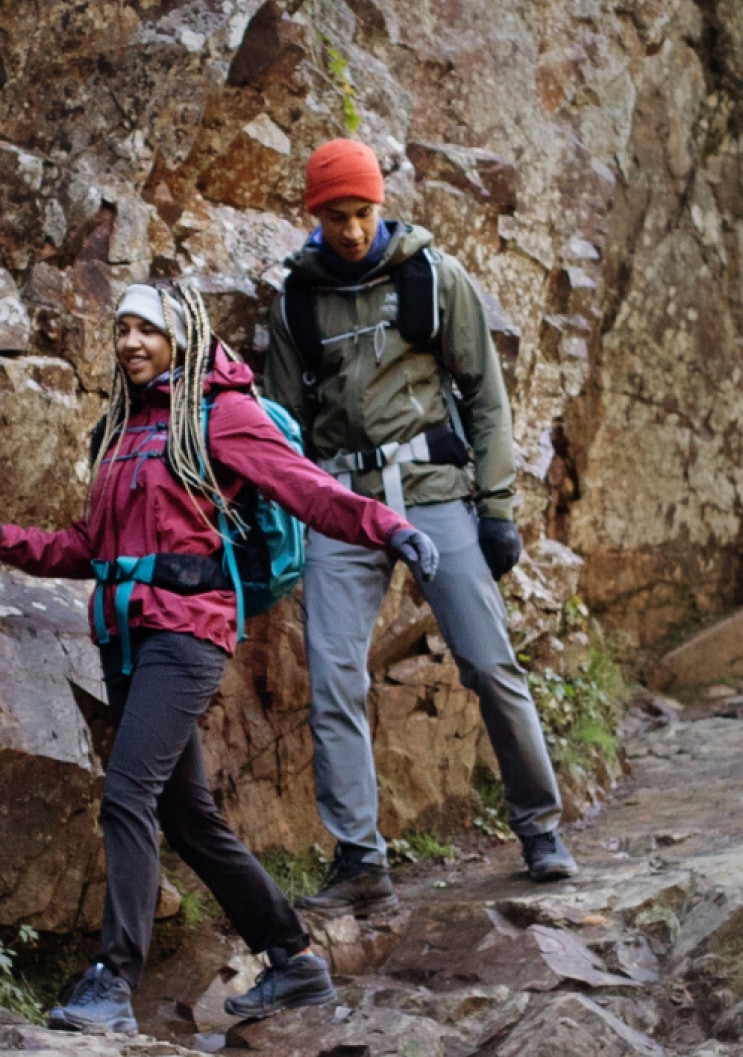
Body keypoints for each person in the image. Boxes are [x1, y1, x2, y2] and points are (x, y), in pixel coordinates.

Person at [0, 280, 439, 1036]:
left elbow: (307, 491)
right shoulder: (122, 427)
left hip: (188, 633)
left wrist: (387, 528)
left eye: (149, 331)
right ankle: (293, 960)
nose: (132, 342)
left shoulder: (220, 415)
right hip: (126, 637)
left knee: (127, 793)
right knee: (186, 815)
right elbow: (89, 548)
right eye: (124, 329)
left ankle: (112, 983)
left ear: (183, 338)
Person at [264, 138, 578, 916]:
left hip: (435, 492)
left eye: (361, 213)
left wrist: (497, 510)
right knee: (333, 678)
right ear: (313, 215)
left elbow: (485, 397)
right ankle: (360, 858)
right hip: (342, 501)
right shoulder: (294, 302)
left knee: (488, 663)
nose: (348, 230)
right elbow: (280, 432)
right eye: (333, 216)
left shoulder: (431, 276)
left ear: (381, 205)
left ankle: (539, 829)